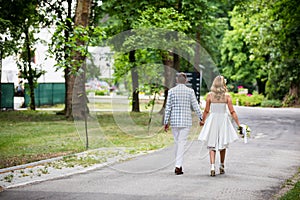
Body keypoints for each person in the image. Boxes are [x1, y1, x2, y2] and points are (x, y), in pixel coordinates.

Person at [198, 75, 240, 176]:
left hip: (212, 120)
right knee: (223, 143)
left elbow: (207, 110)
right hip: (223, 120)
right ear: (223, 84)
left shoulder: (209, 96)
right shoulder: (227, 96)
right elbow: (232, 111)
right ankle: (221, 165)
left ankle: (212, 166)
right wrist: (238, 124)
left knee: (211, 144)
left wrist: (203, 121)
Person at [164, 72, 203, 175]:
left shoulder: (171, 91)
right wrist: (201, 117)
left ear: (177, 80)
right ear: (186, 81)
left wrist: (166, 122)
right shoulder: (190, 91)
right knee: (181, 143)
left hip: (174, 121)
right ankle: (178, 166)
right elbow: (195, 105)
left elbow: (168, 107)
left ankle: (178, 164)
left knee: (177, 143)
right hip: (185, 121)